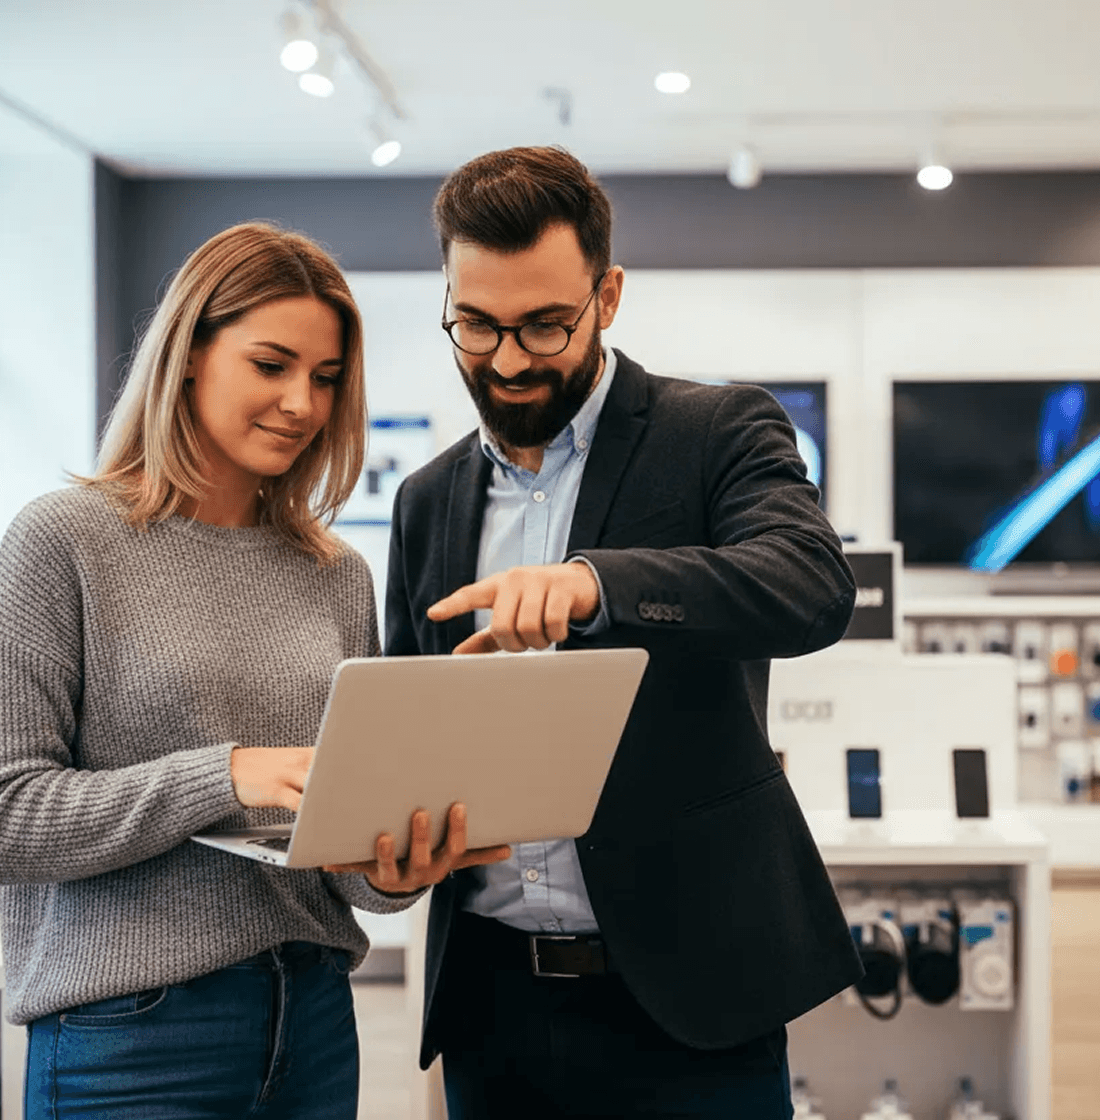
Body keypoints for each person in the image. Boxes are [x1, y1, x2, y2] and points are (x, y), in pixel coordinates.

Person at [0, 221, 506, 1120]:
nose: (303, 402)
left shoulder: (335, 572)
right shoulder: (64, 541)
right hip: (131, 1040)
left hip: (316, 1021)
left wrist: (399, 866)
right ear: (190, 355)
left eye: (326, 379)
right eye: (272, 364)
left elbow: (346, 871)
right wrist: (226, 773)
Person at [384, 147, 864, 1118]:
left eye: (542, 325)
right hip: (490, 1002)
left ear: (606, 295)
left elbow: (810, 585)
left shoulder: (718, 430)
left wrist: (592, 583)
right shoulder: (426, 498)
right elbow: (410, 721)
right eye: (474, 325)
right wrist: (396, 843)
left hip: (692, 999)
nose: (508, 359)